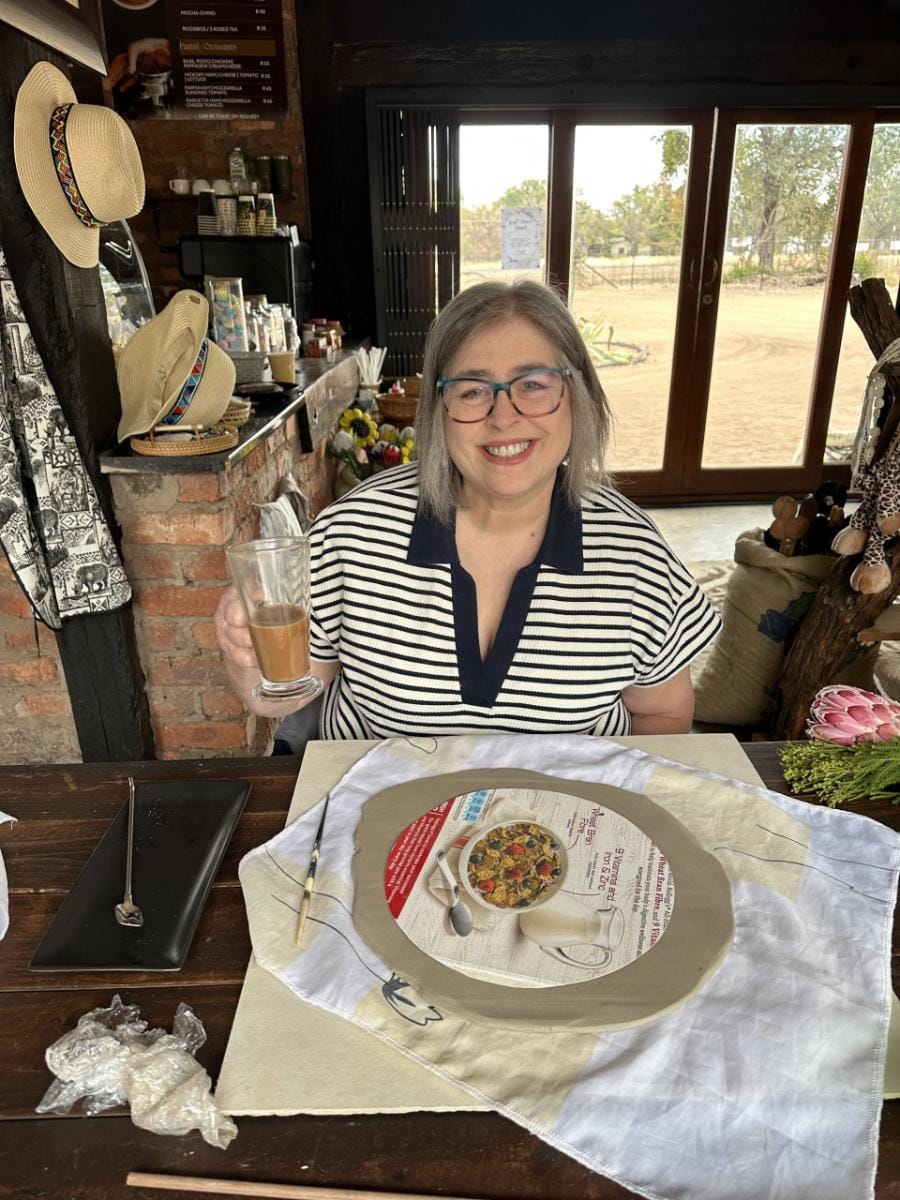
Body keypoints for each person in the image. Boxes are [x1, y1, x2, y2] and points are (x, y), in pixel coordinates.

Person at [215, 280, 721, 744]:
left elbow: (662, 715)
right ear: (439, 410)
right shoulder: (351, 533)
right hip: (380, 806)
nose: (504, 417)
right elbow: (284, 696)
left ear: (577, 394)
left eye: (533, 384)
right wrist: (245, 664)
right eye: (473, 391)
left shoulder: (634, 553)